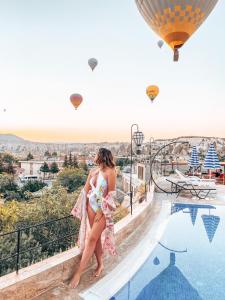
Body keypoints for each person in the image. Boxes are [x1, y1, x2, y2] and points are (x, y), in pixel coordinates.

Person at [69, 148, 117, 289]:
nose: (94, 156)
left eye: (96, 154)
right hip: (90, 207)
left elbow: (110, 195)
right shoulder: (93, 172)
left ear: (102, 156)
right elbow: (85, 191)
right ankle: (100, 264)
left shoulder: (111, 172)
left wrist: (101, 212)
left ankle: (78, 273)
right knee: (94, 240)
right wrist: (80, 208)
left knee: (91, 239)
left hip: (101, 211)